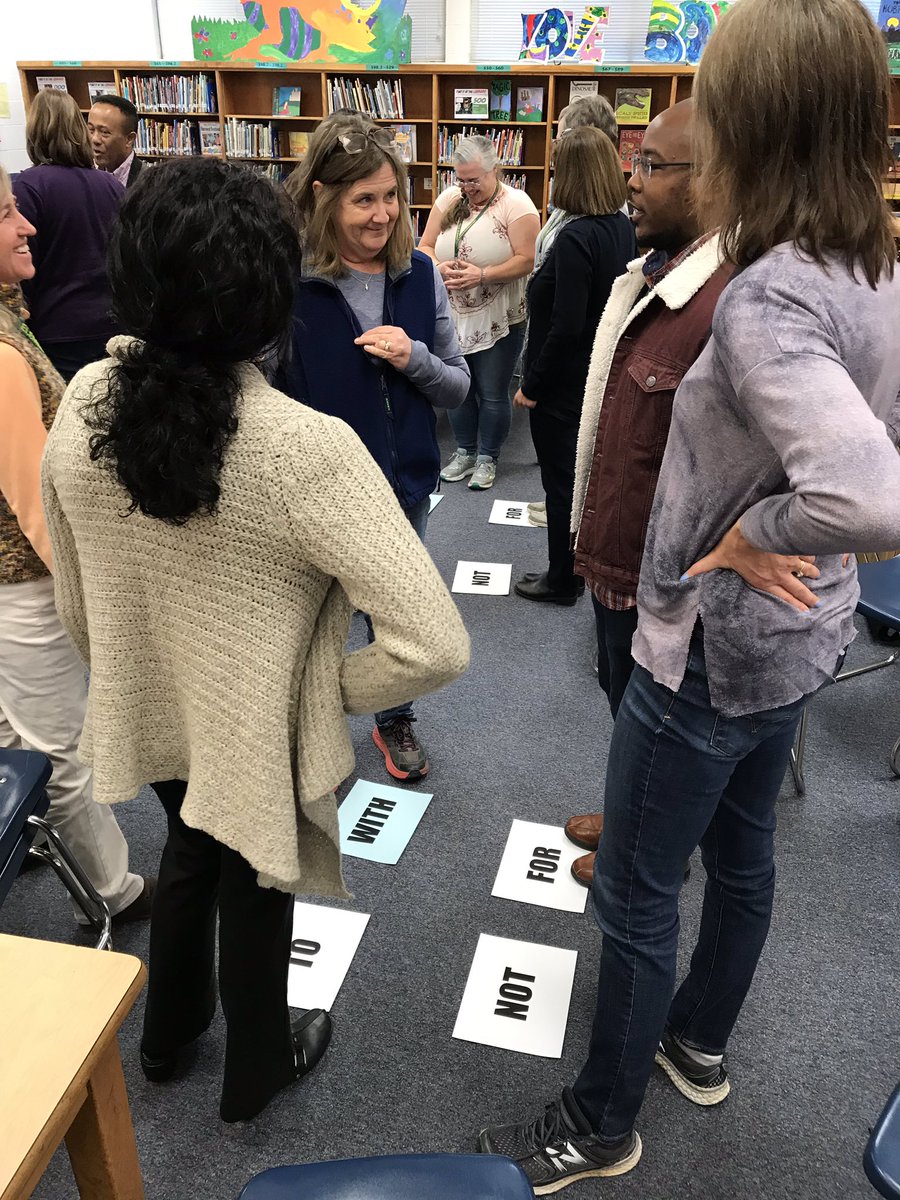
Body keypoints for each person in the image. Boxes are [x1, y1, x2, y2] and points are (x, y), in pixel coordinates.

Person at [478, 0, 900, 1189]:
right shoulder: (866, 261)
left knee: (634, 890)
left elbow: (874, 490)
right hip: (800, 639)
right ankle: (699, 1042)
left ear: (757, 116)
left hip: (707, 648)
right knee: (748, 852)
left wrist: (753, 526)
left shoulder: (767, 294)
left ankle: (599, 1122)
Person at [41, 158, 470, 1123]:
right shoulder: (304, 448)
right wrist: (312, 691)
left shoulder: (81, 403)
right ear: (270, 288)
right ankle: (255, 1072)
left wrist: (152, 671)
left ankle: (165, 1039)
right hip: (251, 727)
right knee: (257, 873)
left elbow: (76, 608)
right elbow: (433, 644)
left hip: (147, 707)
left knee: (191, 847)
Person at [562, 99, 732, 883]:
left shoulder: (727, 298)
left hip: (656, 575)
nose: (633, 181)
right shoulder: (652, 272)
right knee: (621, 705)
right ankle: (626, 807)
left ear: (714, 180)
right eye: (636, 162)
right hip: (613, 549)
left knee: (650, 721)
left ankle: (644, 844)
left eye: (654, 167)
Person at [280, 114, 469, 784]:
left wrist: (412, 356)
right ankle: (304, 721)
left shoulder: (420, 275)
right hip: (313, 495)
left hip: (405, 483)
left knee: (400, 623)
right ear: (326, 200)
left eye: (391, 196)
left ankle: (394, 717)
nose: (383, 214)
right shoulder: (292, 285)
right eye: (364, 199)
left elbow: (456, 387)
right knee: (311, 615)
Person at [0, 171, 151, 927]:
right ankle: (113, 891)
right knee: (62, 747)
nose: (26, 226)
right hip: (25, 588)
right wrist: (90, 598)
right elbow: (37, 506)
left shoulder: (10, 322)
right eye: (5, 215)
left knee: (11, 723)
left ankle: (23, 833)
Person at [512, 126, 636, 606]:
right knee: (581, 479)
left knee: (560, 481)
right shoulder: (621, 226)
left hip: (563, 383)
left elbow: (563, 327)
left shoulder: (573, 238)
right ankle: (576, 570)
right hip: (596, 374)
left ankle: (562, 579)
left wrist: (533, 385)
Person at [419, 135, 540, 491]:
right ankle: (465, 452)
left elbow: (528, 259)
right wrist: (438, 267)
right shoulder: (448, 199)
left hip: (498, 317)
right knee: (457, 387)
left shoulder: (517, 205)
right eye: (461, 179)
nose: (467, 188)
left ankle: (488, 457)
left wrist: (481, 274)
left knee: (491, 391)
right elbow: (424, 246)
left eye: (475, 180)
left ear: (495, 170)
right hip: (454, 315)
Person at [13, 89, 123, 381]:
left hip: (57, 329)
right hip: (112, 322)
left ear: (34, 131)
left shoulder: (29, 186)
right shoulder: (111, 185)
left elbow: (25, 264)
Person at [88, 94, 143, 188]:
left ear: (129, 139)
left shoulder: (150, 182)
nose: (95, 139)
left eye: (104, 132)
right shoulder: (87, 177)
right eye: (91, 130)